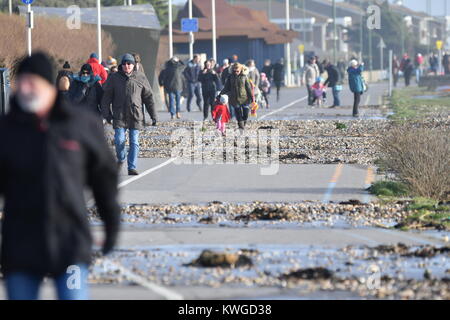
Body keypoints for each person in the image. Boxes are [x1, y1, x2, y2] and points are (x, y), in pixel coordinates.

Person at [0, 52, 120, 300]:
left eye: (32, 82)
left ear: (49, 86)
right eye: (21, 81)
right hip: (20, 244)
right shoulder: (7, 129)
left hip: (70, 243)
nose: (25, 88)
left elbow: (104, 180)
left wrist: (112, 226)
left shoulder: (80, 125)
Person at [101, 53, 156, 176]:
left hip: (135, 115)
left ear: (133, 65)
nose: (127, 66)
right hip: (119, 115)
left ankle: (132, 166)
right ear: (121, 65)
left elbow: (148, 98)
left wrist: (153, 116)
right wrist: (107, 115)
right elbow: (106, 98)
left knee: (134, 142)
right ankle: (121, 157)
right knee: (119, 140)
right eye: (124, 63)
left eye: (129, 63)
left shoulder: (140, 77)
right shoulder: (114, 78)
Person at [220, 63, 254, 131]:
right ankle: (241, 127)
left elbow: (248, 88)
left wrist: (252, 98)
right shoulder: (230, 77)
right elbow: (226, 88)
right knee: (238, 114)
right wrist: (220, 95)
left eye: (237, 71)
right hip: (234, 98)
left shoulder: (244, 77)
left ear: (241, 70)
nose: (236, 72)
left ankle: (243, 124)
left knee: (246, 114)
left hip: (245, 98)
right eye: (234, 71)